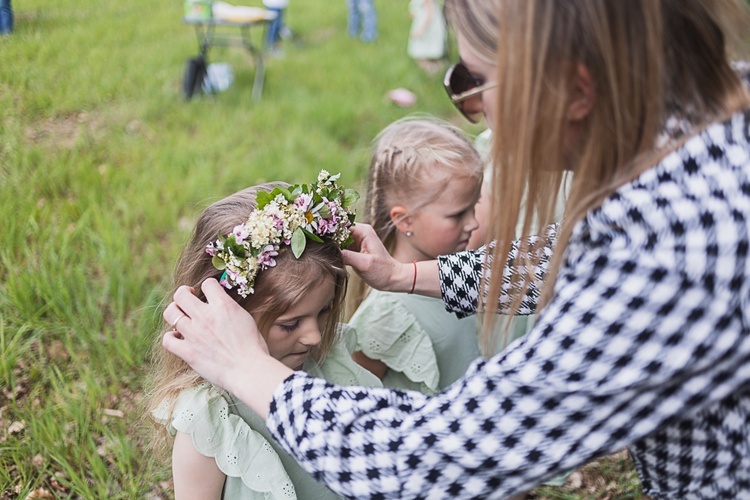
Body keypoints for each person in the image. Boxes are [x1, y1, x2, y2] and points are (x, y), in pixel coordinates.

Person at [162, 0, 750, 498]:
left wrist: (249, 370)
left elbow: (443, 456)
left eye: (472, 85)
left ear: (574, 89)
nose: (472, 110)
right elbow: (564, 260)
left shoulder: (675, 250)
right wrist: (408, 277)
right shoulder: (700, 149)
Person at [149, 172, 382, 499]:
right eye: (290, 324)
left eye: (325, 311)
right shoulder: (211, 416)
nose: (314, 336)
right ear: (223, 315)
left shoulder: (330, 366)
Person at [348, 116, 483, 395]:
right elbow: (357, 393)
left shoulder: (464, 270)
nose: (473, 224)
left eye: (474, 206)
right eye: (458, 214)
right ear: (405, 221)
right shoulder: (388, 313)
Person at [407, 0, 446, 75]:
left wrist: (421, 30)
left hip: (427, 27)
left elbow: (430, 14)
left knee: (420, 52)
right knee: (422, 52)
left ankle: (433, 69)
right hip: (425, 23)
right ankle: (434, 68)